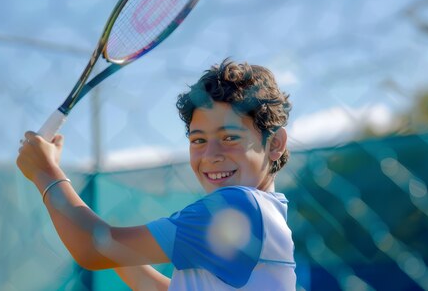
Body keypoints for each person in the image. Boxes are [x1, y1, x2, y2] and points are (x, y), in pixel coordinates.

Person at [17, 59, 296, 290]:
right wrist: (116, 246)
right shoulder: (265, 213)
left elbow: (92, 247)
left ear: (275, 144)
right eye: (198, 140)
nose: (211, 154)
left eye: (229, 137)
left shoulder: (239, 205)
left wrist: (45, 172)